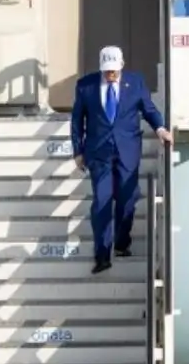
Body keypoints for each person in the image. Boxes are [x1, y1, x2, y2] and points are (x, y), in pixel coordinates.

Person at [70, 45, 173, 274]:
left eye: (114, 70)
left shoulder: (135, 82)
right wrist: (77, 151)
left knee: (127, 200)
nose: (111, 75)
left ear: (122, 65)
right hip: (99, 153)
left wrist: (160, 128)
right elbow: (77, 120)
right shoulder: (86, 86)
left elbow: (148, 109)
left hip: (127, 150)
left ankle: (122, 243)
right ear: (101, 67)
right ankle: (102, 254)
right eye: (107, 71)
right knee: (102, 201)